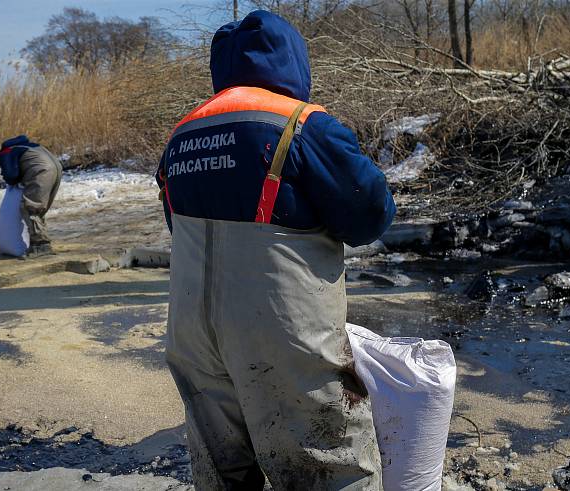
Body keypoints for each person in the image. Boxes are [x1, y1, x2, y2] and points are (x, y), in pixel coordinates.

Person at [157, 10, 395, 490]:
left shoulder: (181, 136)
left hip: (191, 334)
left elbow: (176, 224)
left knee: (222, 468)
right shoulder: (304, 125)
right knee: (326, 462)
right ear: (292, 60)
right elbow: (370, 217)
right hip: (281, 332)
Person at [0, 135, 62, 256]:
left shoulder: (6, 152)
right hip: (56, 168)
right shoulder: (30, 146)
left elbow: (11, 175)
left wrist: (9, 179)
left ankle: (41, 246)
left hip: (41, 171)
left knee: (31, 208)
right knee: (40, 208)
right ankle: (38, 240)